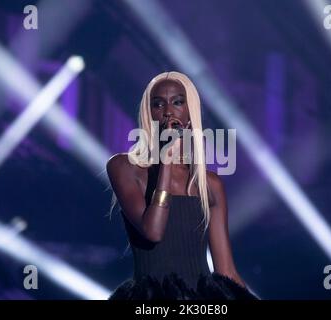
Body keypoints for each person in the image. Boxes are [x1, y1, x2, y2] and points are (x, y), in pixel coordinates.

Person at [106, 71, 258, 300]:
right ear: (149, 114)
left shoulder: (210, 184)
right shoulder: (124, 167)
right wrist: (166, 159)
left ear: (189, 114)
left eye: (177, 102)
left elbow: (226, 270)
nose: (168, 111)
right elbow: (153, 231)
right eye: (158, 104)